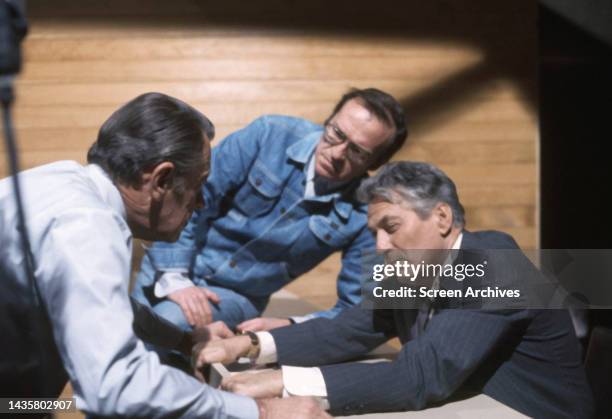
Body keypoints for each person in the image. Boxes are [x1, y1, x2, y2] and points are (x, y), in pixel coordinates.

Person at [0, 92, 329, 419]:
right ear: (162, 179)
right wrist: (261, 411)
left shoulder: (58, 178)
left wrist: (183, 341)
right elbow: (116, 387)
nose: (200, 204)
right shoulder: (89, 228)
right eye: (198, 186)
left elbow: (92, 299)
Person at [192, 161, 595, 418]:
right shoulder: (411, 270)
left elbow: (422, 375)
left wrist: (286, 381)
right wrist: (247, 346)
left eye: (392, 227)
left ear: (441, 217)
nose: (381, 247)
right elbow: (348, 329)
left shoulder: (493, 262)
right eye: (375, 233)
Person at [132, 87, 408, 332]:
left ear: (377, 162)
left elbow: (357, 307)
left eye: (357, 151)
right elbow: (183, 198)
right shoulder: (269, 134)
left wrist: (289, 326)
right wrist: (175, 277)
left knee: (166, 325)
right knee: (123, 332)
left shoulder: (366, 213)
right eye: (336, 133)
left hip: (235, 296)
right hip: (174, 261)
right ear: (328, 121)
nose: (336, 154)